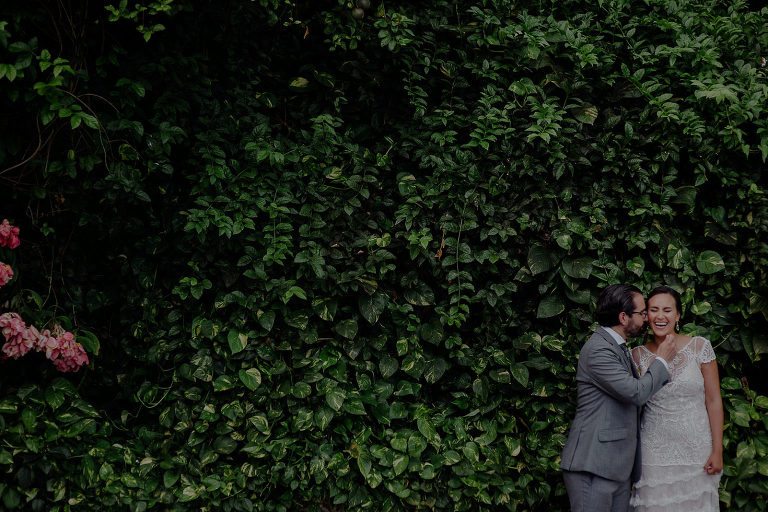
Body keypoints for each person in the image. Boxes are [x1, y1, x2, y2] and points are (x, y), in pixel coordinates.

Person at [561, 283, 677, 512]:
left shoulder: (617, 347)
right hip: (593, 466)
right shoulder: (598, 349)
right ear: (624, 317)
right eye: (642, 313)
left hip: (617, 467)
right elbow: (635, 392)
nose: (646, 319)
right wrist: (661, 360)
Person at [629, 286, 723, 511]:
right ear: (646, 316)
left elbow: (714, 400)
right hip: (654, 454)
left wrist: (717, 450)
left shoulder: (700, 347)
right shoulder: (637, 355)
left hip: (697, 452)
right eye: (654, 310)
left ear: (678, 315)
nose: (660, 316)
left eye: (667, 310)